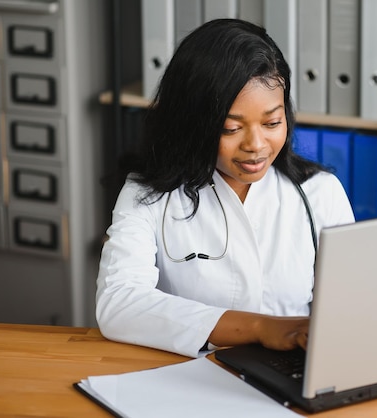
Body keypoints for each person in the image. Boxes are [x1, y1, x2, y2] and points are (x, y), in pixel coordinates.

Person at [96, 19, 355, 358]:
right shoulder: (147, 196)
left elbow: (350, 312)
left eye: (272, 122)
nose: (256, 145)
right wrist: (262, 328)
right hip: (185, 377)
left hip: (292, 377)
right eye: (231, 128)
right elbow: (118, 304)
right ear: (193, 125)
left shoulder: (321, 193)